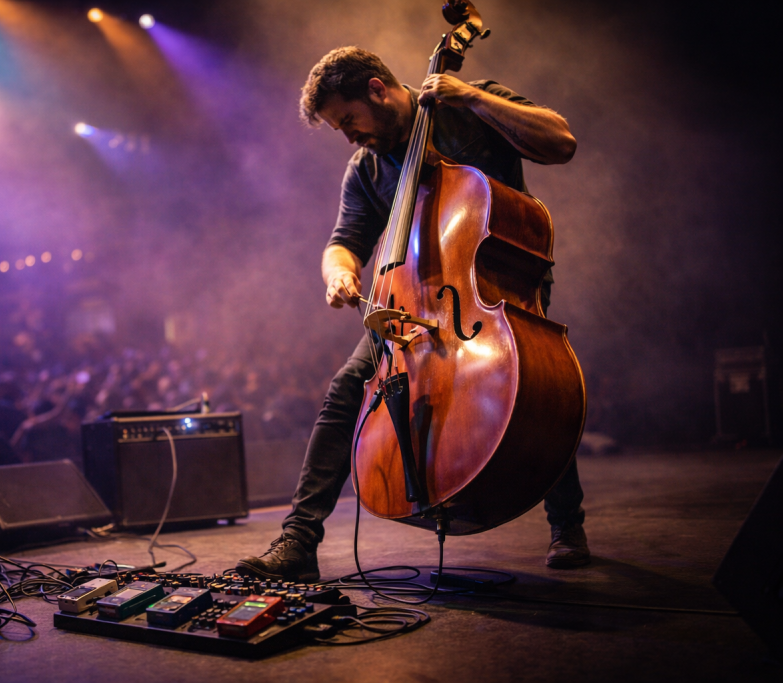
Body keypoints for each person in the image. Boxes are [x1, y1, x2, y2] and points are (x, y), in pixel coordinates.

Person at [237, 47, 588, 582]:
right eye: (339, 129)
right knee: (346, 388)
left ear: (377, 88)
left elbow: (561, 142)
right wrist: (339, 273)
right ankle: (298, 540)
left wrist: (472, 94)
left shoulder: (467, 108)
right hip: (408, 300)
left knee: (536, 386)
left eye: (349, 120)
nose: (350, 136)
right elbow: (343, 242)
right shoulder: (367, 167)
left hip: (493, 282)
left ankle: (567, 524)